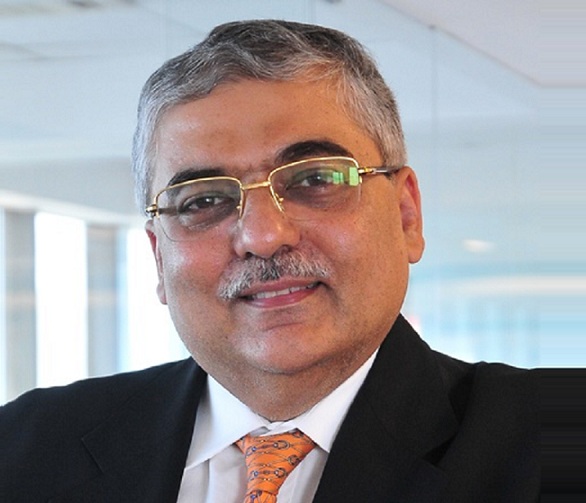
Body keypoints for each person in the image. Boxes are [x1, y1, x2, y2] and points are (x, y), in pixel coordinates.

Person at [0, 20, 539, 502]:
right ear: (159, 257)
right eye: (203, 201)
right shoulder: (25, 449)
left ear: (406, 216)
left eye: (315, 179)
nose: (262, 237)